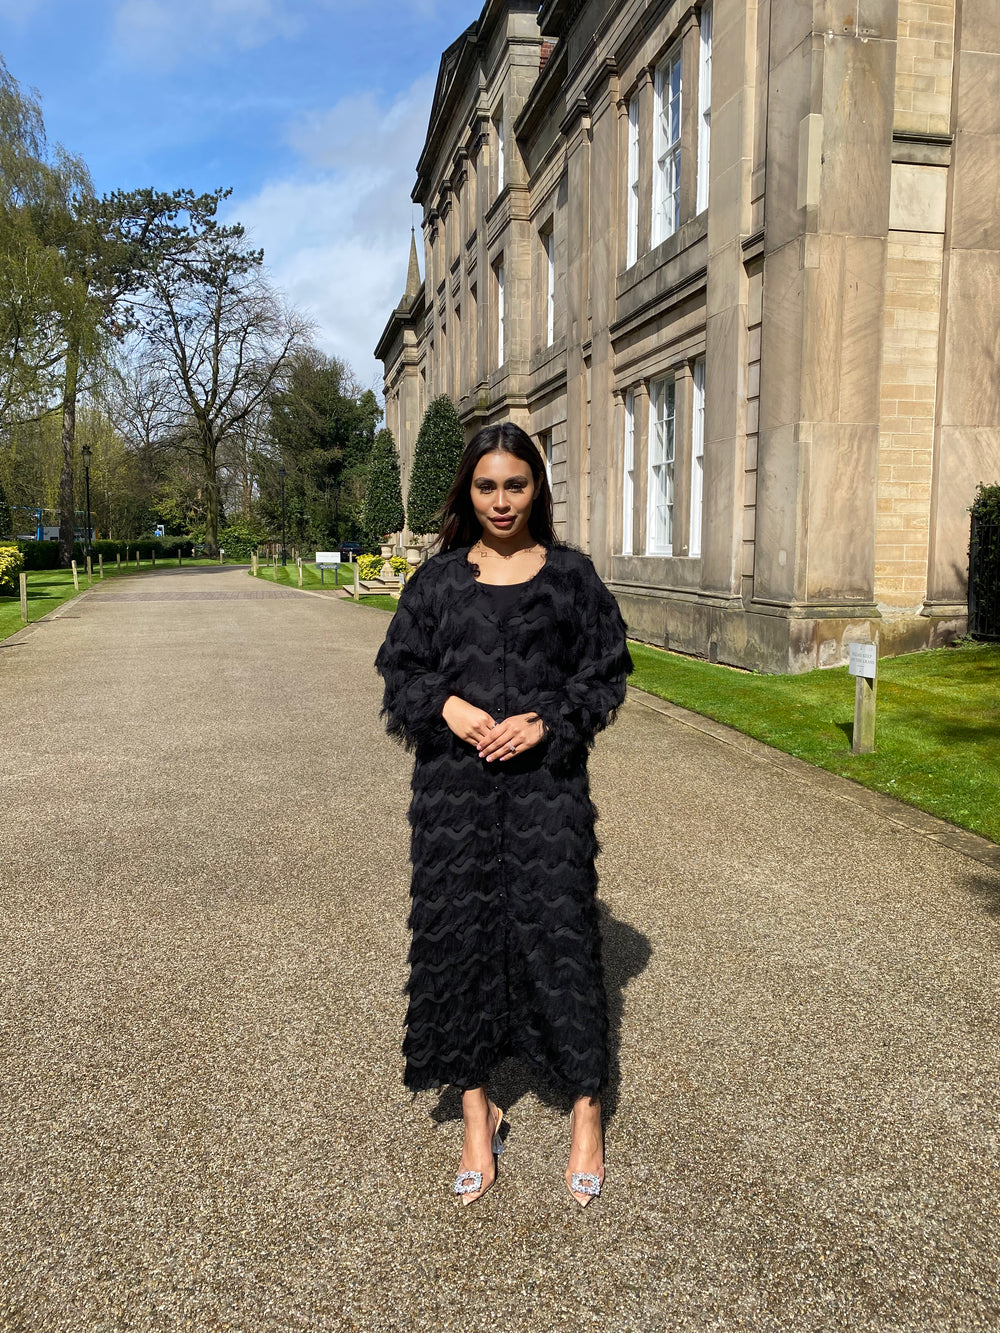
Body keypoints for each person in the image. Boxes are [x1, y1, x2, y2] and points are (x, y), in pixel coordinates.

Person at [375, 422, 632, 1207]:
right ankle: (477, 1117)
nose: (499, 500)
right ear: (467, 490)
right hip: (453, 798)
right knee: (461, 943)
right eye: (485, 485)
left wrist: (548, 719)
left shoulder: (571, 579)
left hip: (546, 794)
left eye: (514, 484)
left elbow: (607, 671)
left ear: (537, 489)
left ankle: (586, 1108)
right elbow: (399, 672)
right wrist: (446, 703)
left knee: (561, 937)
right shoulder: (439, 583)